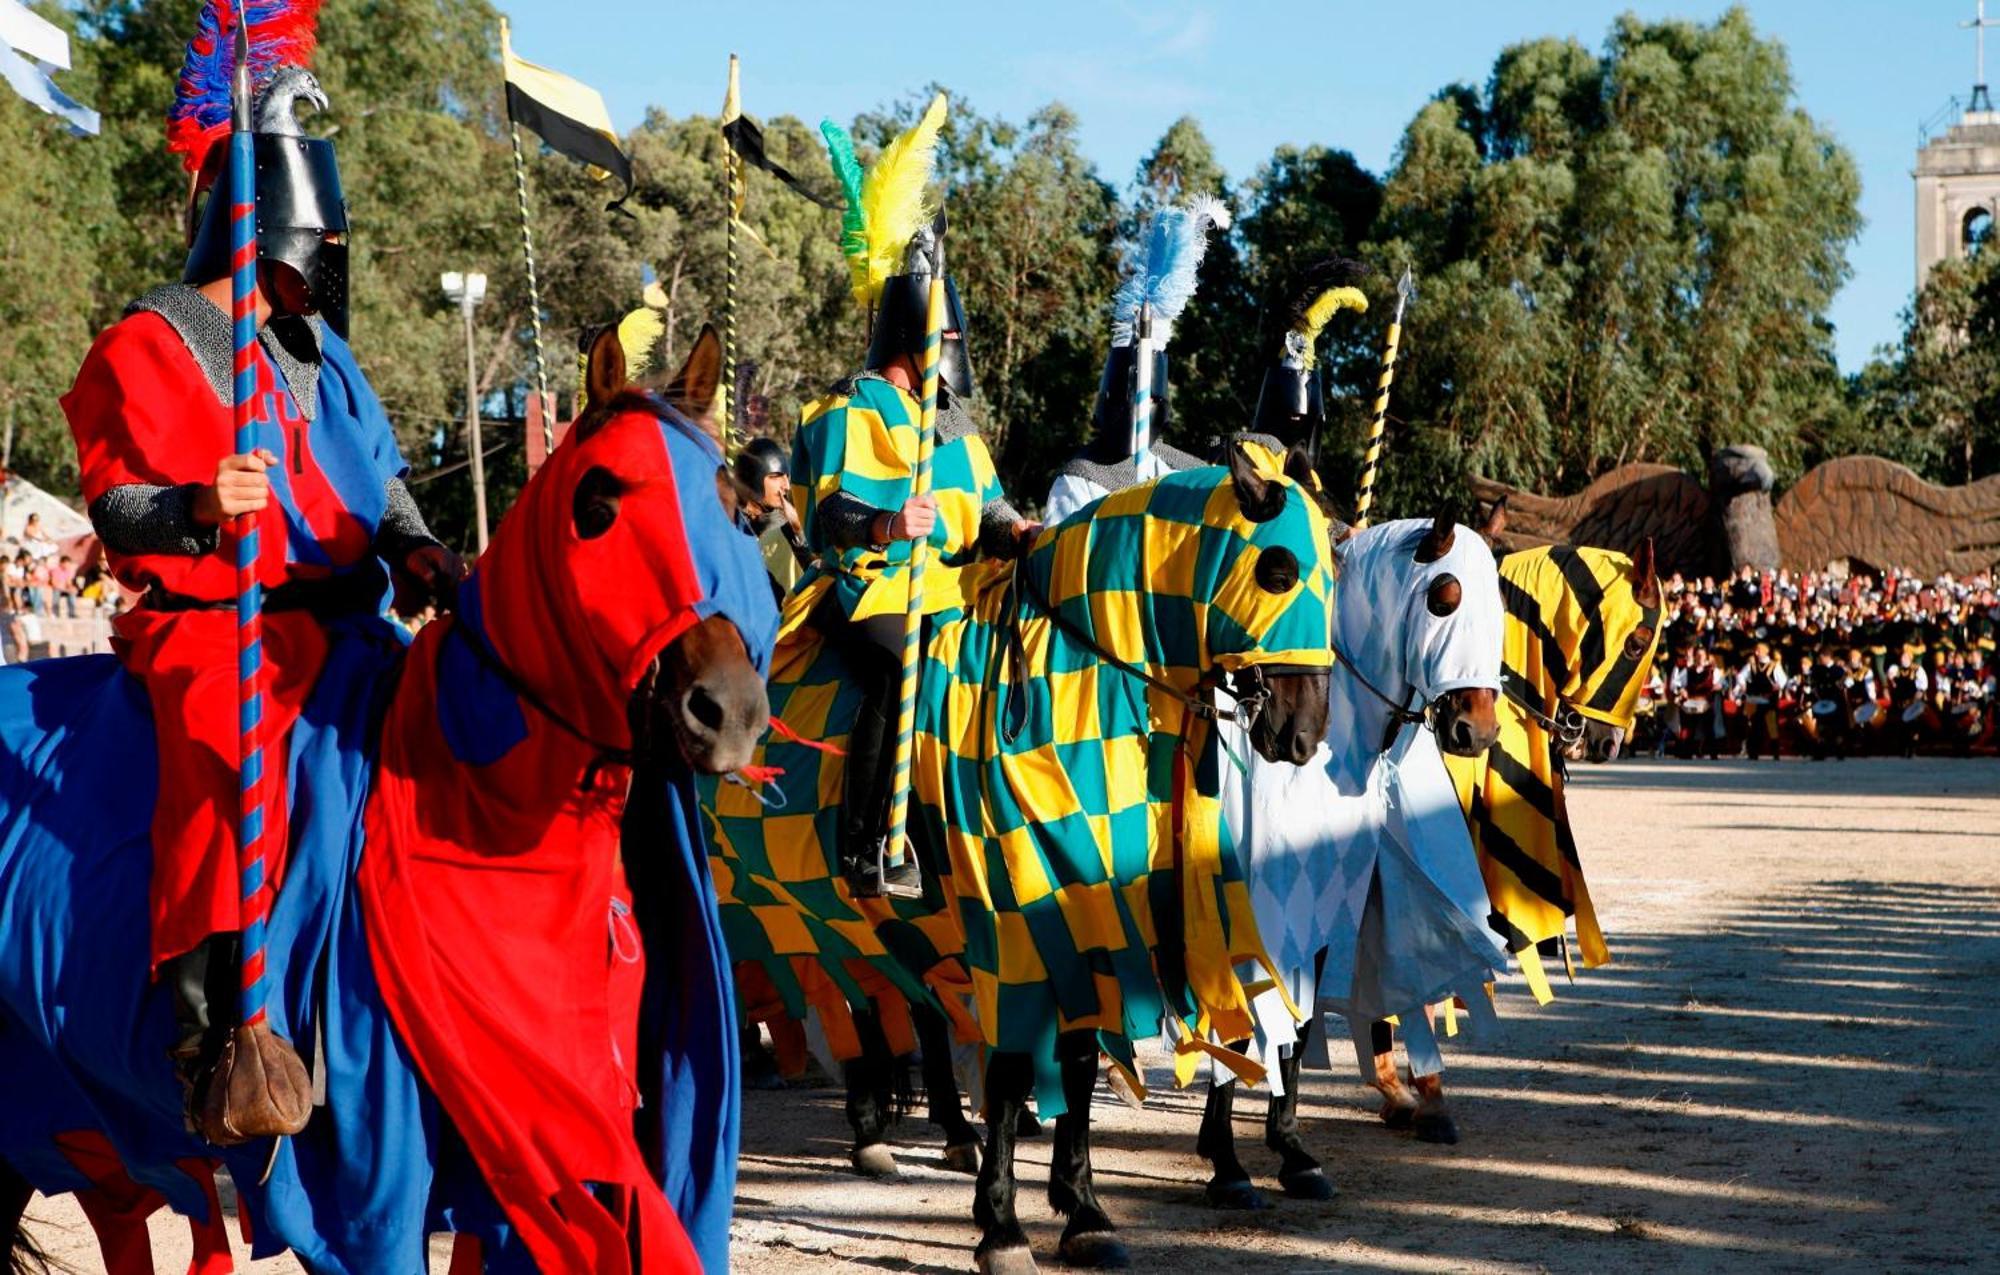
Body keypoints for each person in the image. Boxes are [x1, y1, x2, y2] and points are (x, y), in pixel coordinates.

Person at [59, 15, 458, 1143]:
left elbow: (376, 486)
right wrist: (197, 506)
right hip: (217, 629)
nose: (330, 258)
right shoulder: (152, 341)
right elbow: (114, 503)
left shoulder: (322, 355)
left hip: (351, 626)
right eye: (314, 238)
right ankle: (213, 1027)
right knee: (220, 757)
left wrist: (417, 548)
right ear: (265, 230)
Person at [794, 96, 1035, 897]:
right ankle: (869, 845)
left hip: (955, 585)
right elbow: (829, 516)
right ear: (908, 338)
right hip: (864, 590)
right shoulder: (845, 406)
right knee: (906, 666)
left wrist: (1020, 531)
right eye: (938, 343)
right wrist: (892, 520)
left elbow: (990, 510)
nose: (947, 358)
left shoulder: (956, 424)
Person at [1043, 200, 1234, 523]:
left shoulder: (1190, 474)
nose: (1135, 407)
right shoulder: (1078, 479)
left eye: (1150, 399)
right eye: (1125, 399)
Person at [731, 437, 810, 598]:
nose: (786, 486)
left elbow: (816, 576)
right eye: (776, 476)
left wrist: (798, 531)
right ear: (754, 477)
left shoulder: (789, 529)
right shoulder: (727, 526)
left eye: (787, 477)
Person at [1733, 642, 1787, 760]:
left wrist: (1778, 686)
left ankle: (1775, 753)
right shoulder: (1751, 665)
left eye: (1758, 650)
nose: (1756, 653)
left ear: (1765, 651)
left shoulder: (1774, 665)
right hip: (1755, 699)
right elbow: (1740, 676)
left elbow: (1783, 679)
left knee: (1772, 726)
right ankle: (1753, 752)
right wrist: (1742, 684)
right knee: (1754, 726)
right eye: (1755, 650)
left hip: (1769, 700)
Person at [1672, 645, 1724, 758]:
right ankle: (1687, 752)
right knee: (1688, 727)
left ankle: (1712, 753)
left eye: (1702, 655)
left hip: (1706, 703)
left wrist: (1719, 686)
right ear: (1694, 656)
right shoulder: (1688, 670)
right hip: (1691, 702)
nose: (1700, 657)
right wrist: (1681, 690)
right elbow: (1675, 684)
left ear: (1706, 656)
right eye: (1698, 655)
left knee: (1709, 728)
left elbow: (1723, 684)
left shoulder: (1713, 670)